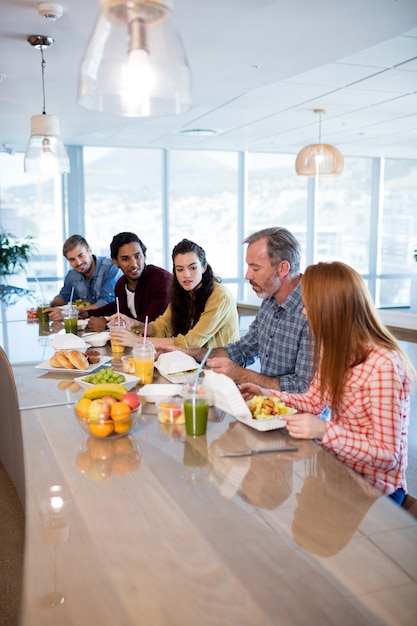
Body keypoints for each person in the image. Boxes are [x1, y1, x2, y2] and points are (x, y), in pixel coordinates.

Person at [240, 261, 416, 504]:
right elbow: (313, 401)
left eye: (309, 305)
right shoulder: (330, 346)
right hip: (338, 471)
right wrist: (266, 393)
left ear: (331, 308)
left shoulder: (383, 365)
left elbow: (388, 455)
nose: (304, 312)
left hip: (376, 491)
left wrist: (324, 430)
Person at [152, 227, 313, 392]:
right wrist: (187, 353)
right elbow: (242, 350)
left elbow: (303, 388)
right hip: (268, 405)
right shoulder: (270, 302)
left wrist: (242, 375)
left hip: (298, 415)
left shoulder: (313, 312)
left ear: (283, 269)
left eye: (255, 268)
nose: (247, 275)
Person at [109, 239, 240, 349]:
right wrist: (134, 324)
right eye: (180, 269)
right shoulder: (183, 292)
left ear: (204, 267)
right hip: (192, 363)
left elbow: (191, 343)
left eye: (193, 267)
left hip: (220, 369)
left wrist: (137, 341)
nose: (186, 275)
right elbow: (161, 328)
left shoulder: (219, 296)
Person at [85, 232, 172, 332]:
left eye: (137, 256)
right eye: (125, 259)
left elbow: (152, 322)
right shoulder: (121, 284)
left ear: (144, 255)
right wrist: (88, 313)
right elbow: (118, 306)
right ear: (115, 262)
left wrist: (108, 324)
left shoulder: (161, 280)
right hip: (136, 342)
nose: (133, 264)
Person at [46, 235, 122, 321]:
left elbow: (105, 303)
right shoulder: (72, 275)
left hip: (110, 323)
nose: (78, 262)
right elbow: (63, 296)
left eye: (81, 255)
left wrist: (67, 313)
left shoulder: (110, 267)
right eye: (72, 259)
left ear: (89, 251)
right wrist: (49, 307)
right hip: (85, 325)